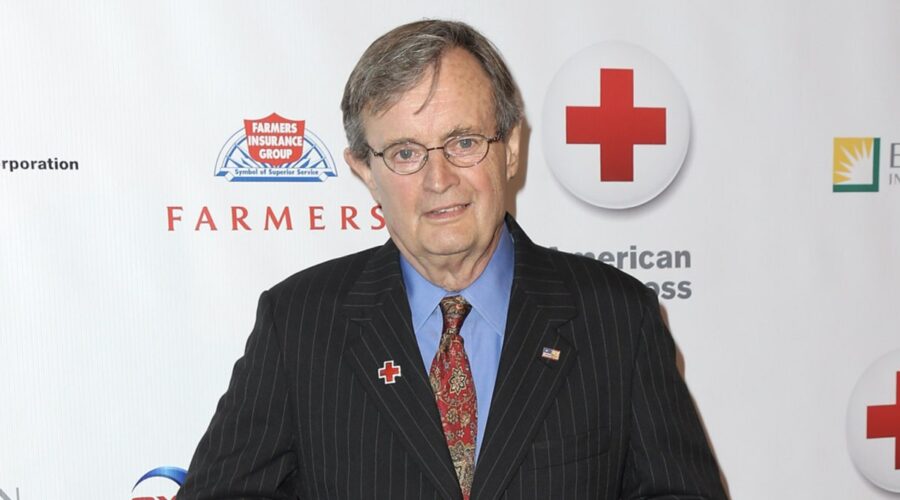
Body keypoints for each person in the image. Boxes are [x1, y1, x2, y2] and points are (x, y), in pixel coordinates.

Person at [178, 19, 727, 500]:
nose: (439, 180)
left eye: (463, 142)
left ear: (510, 147)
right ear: (365, 171)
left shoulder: (617, 318)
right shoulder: (299, 323)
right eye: (406, 153)